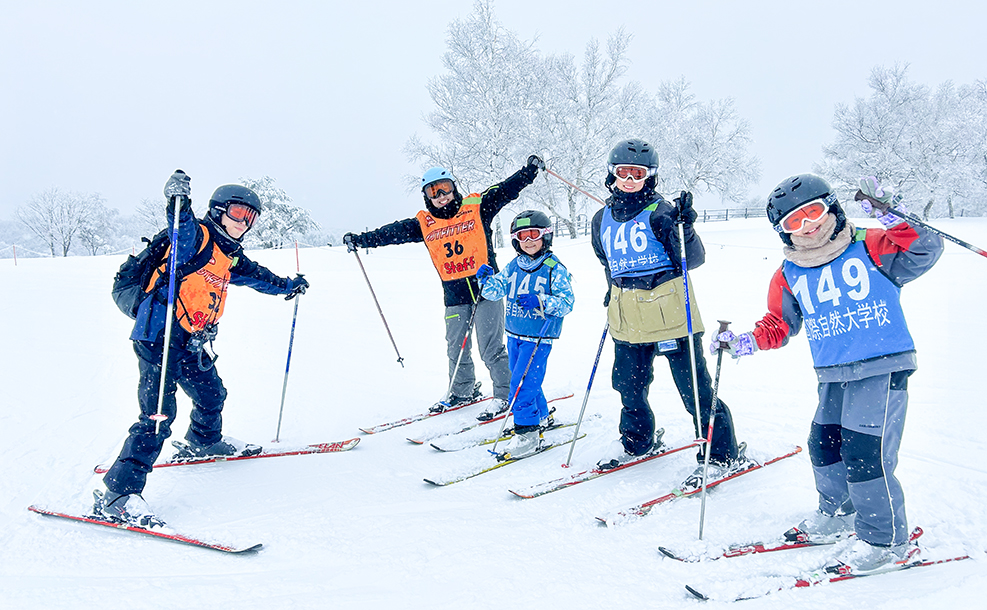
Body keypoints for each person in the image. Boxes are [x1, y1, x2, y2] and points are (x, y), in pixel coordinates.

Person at [710, 174, 943, 575]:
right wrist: (744, 342)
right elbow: (779, 324)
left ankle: (885, 539)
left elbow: (925, 249)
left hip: (882, 366)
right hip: (833, 373)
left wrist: (893, 217)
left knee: (866, 454)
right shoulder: (789, 272)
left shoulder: (869, 244)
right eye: (794, 222)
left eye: (814, 212)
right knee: (824, 445)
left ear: (832, 207)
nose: (808, 226)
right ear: (782, 231)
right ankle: (837, 514)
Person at [96, 170, 309, 527]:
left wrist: (288, 286)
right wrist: (177, 201)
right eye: (239, 213)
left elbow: (259, 277)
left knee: (212, 394)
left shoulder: (229, 255)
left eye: (251, 217)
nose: (244, 222)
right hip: (159, 336)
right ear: (219, 210)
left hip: (192, 339)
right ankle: (118, 495)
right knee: (158, 416)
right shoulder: (195, 237)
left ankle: (203, 441)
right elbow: (180, 226)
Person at [591, 138, 743, 485]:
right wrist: (611, 291)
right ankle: (636, 441)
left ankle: (720, 454)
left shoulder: (661, 212)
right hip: (627, 317)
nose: (630, 180)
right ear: (612, 174)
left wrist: (684, 227)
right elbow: (606, 260)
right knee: (628, 386)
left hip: (670, 314)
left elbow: (694, 258)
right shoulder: (601, 218)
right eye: (623, 172)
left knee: (694, 390)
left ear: (650, 176)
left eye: (638, 173)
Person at [343, 157, 545, 417]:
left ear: (453, 187)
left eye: (444, 188)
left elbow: (506, 189)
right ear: (426, 196)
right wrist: (361, 240)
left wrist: (529, 171)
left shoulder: (477, 207)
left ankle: (505, 394)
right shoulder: (425, 223)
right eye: (433, 191)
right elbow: (392, 233)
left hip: (487, 292)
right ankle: (462, 390)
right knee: (456, 348)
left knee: (490, 348)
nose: (440, 196)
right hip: (454, 296)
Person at [475, 210, 574, 459]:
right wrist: (485, 281)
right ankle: (541, 417)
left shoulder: (553, 268)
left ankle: (527, 433)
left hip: (538, 337)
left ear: (546, 236)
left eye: (533, 234)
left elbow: (567, 303)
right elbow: (494, 292)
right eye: (522, 236)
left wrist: (541, 301)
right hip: (515, 334)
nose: (528, 241)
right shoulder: (514, 265)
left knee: (520, 385)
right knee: (527, 380)